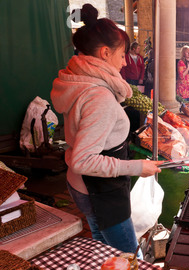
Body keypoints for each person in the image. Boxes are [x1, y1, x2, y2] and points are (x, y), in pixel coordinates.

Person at [51, 4, 162, 256]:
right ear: (104, 53)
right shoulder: (97, 95)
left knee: (105, 253)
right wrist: (137, 168)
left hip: (86, 187)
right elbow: (83, 160)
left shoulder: (80, 80)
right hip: (99, 190)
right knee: (127, 260)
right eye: (122, 55)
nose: (124, 63)